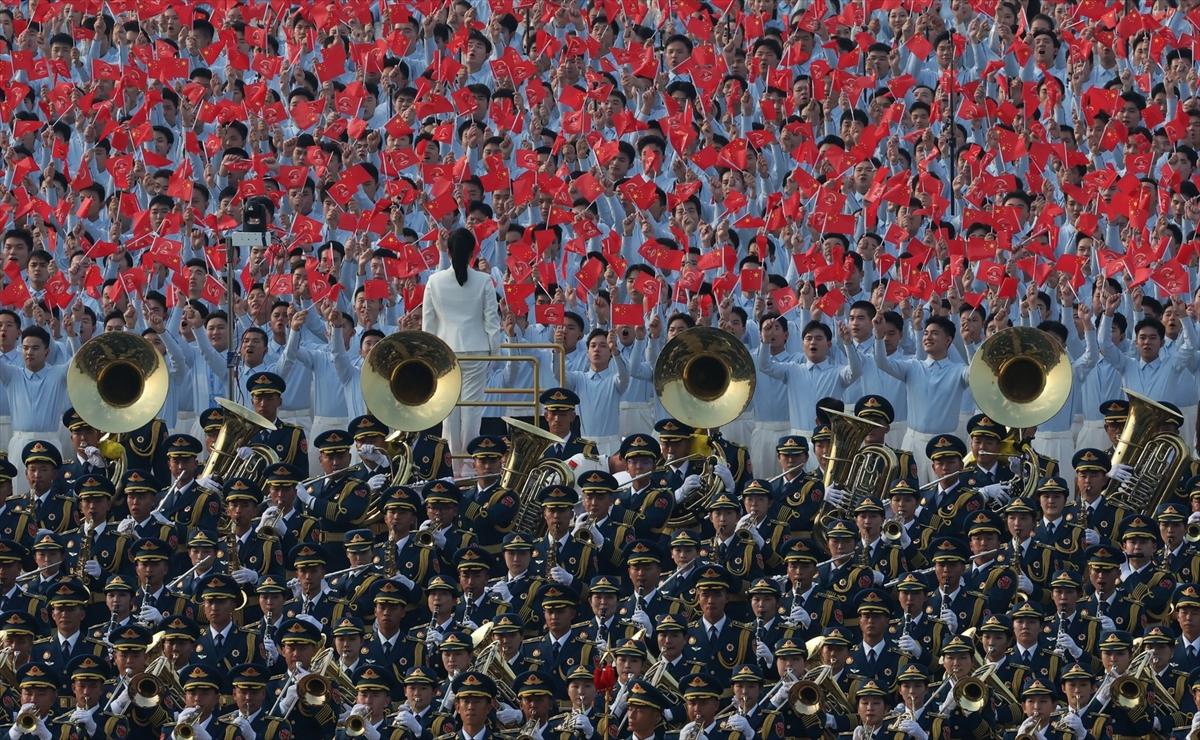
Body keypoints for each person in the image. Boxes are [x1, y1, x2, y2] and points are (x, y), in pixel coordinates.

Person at [421, 227, 503, 471]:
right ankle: (467, 467)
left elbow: (428, 324)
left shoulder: (434, 281)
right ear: (472, 253)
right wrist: (496, 354)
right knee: (471, 412)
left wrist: (430, 356)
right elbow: (492, 321)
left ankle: (452, 467)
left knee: (449, 412)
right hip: (476, 351)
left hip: (444, 352)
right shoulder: (484, 280)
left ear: (447, 251)